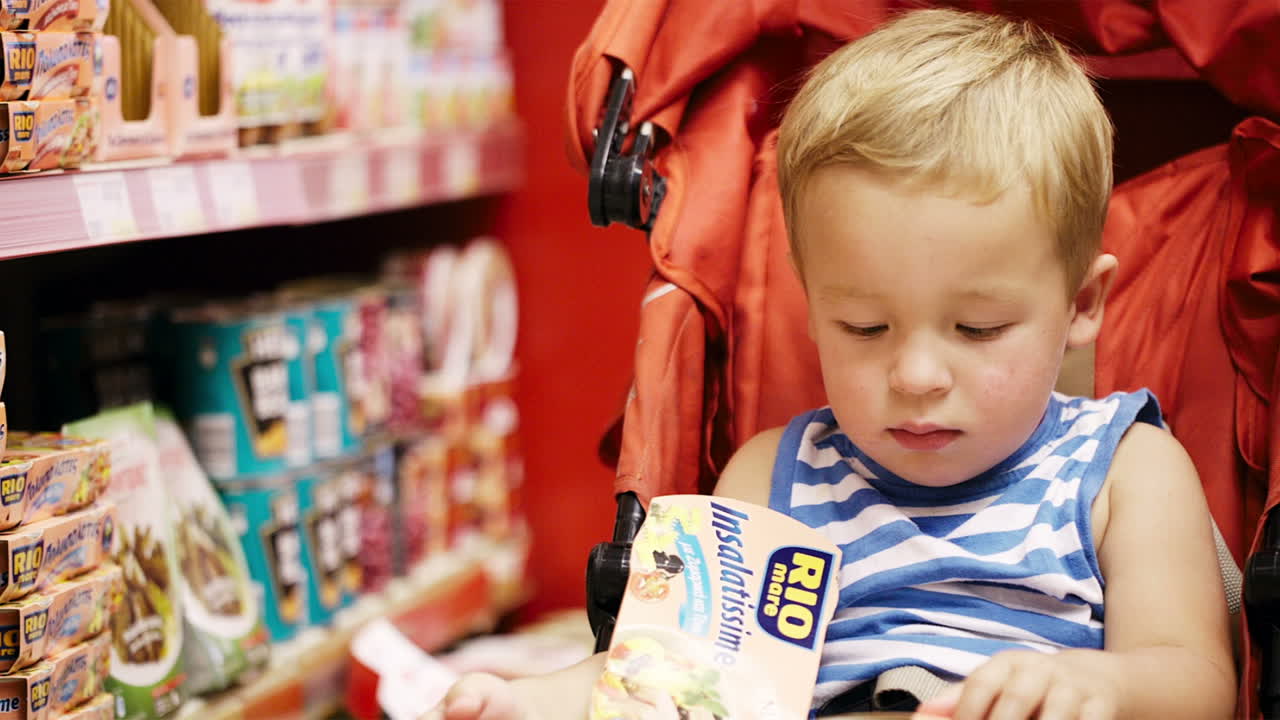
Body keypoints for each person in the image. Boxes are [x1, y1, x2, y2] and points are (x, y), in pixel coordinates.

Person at [424, 8, 1235, 720]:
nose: (917, 374)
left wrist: (1102, 687)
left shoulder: (1124, 471)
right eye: (865, 326)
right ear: (811, 305)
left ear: (1083, 308)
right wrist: (541, 699)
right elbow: (674, 672)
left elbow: (1195, 678)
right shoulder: (774, 475)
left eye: (978, 328)